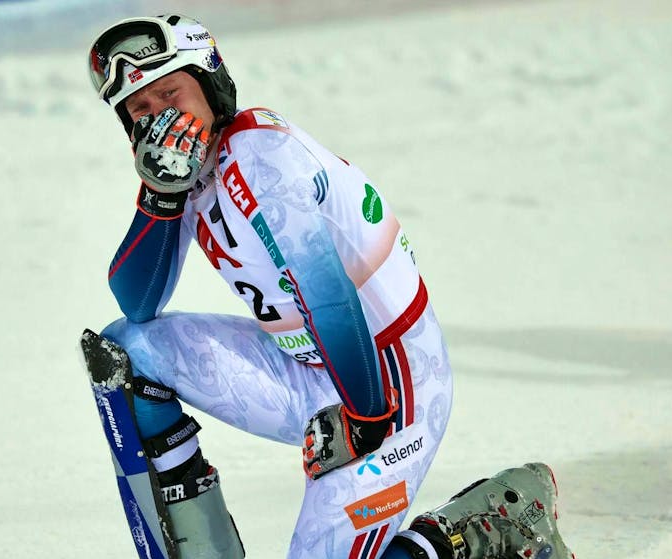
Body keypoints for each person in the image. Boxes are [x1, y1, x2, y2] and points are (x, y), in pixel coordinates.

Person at [87, 13, 574, 559]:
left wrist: (365, 420)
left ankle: (482, 531)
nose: (161, 121)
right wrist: (159, 196)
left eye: (170, 94)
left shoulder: (259, 157)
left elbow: (330, 297)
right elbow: (136, 302)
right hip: (309, 367)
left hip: (387, 380)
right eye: (141, 111)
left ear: (210, 81)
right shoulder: (190, 175)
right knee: (128, 352)